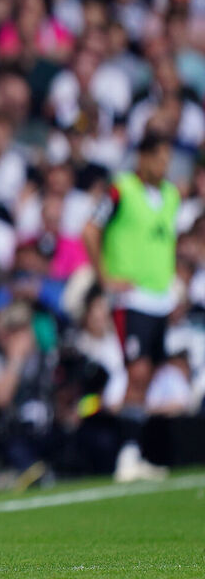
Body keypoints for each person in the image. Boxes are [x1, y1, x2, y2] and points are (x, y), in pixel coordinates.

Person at [82, 131, 175, 482]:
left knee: (148, 376)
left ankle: (134, 451)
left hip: (160, 297)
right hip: (131, 297)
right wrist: (105, 277)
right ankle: (126, 455)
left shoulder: (170, 195)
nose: (165, 166)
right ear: (144, 157)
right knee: (135, 372)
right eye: (160, 158)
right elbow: (91, 229)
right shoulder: (121, 189)